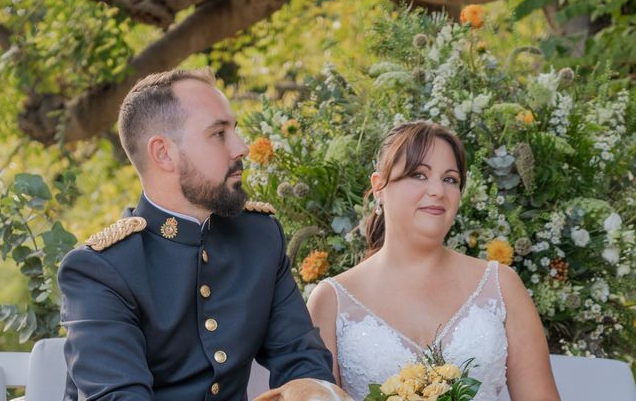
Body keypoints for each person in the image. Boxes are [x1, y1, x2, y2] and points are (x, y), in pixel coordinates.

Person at [58, 68, 335, 400]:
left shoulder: (259, 237)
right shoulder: (99, 271)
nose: (242, 148)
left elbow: (302, 362)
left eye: (235, 130)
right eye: (218, 134)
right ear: (163, 153)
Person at [307, 121, 560, 401]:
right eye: (419, 174)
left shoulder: (502, 285)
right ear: (379, 187)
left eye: (450, 179)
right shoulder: (331, 301)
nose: (438, 191)